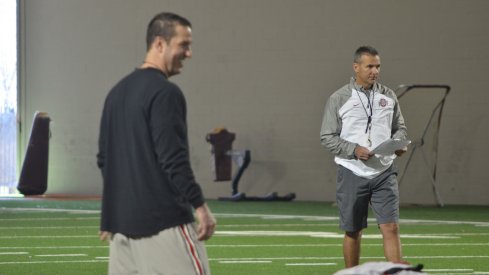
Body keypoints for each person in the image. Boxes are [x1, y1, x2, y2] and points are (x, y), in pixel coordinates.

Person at [97, 12, 216, 275]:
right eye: (184, 45)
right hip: (165, 227)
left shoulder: (116, 94)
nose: (189, 53)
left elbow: (105, 160)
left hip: (122, 233)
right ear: (159, 44)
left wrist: (112, 215)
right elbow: (173, 159)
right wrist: (201, 207)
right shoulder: (165, 93)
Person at [320, 46, 408, 268]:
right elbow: (327, 136)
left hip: (384, 172)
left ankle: (397, 272)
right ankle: (352, 273)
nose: (375, 71)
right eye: (369, 66)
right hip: (352, 171)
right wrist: (353, 150)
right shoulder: (338, 98)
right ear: (356, 67)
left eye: (378, 66)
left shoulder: (388, 95)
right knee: (353, 230)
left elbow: (400, 128)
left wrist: (399, 143)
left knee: (391, 227)